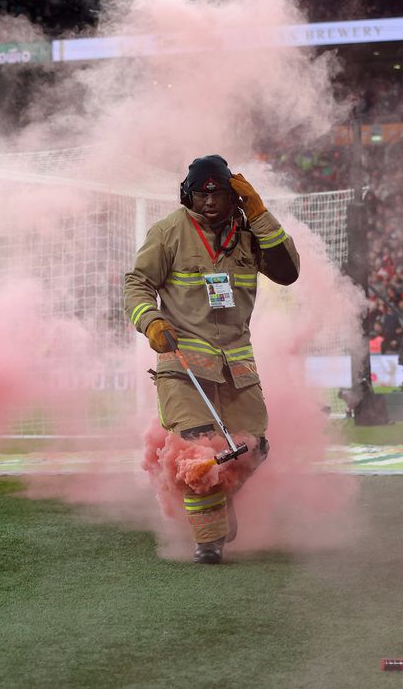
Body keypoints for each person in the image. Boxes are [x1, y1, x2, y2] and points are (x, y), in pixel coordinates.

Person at [124, 155, 299, 564]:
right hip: (183, 364)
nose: (207, 201)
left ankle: (221, 498)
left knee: (252, 448)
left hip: (238, 367)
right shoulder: (168, 232)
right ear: (187, 195)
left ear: (233, 195)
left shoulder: (249, 232)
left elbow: (288, 272)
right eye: (199, 194)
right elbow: (136, 284)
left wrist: (260, 214)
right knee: (198, 453)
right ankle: (208, 542)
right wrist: (150, 323)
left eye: (216, 192)